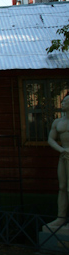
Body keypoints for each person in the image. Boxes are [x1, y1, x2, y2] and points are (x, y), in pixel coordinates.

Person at [47, 94, 69, 228]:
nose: (63, 103)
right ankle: (60, 217)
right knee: (62, 187)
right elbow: (51, 139)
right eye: (63, 101)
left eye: (66, 101)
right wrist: (61, 150)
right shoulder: (58, 122)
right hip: (64, 155)